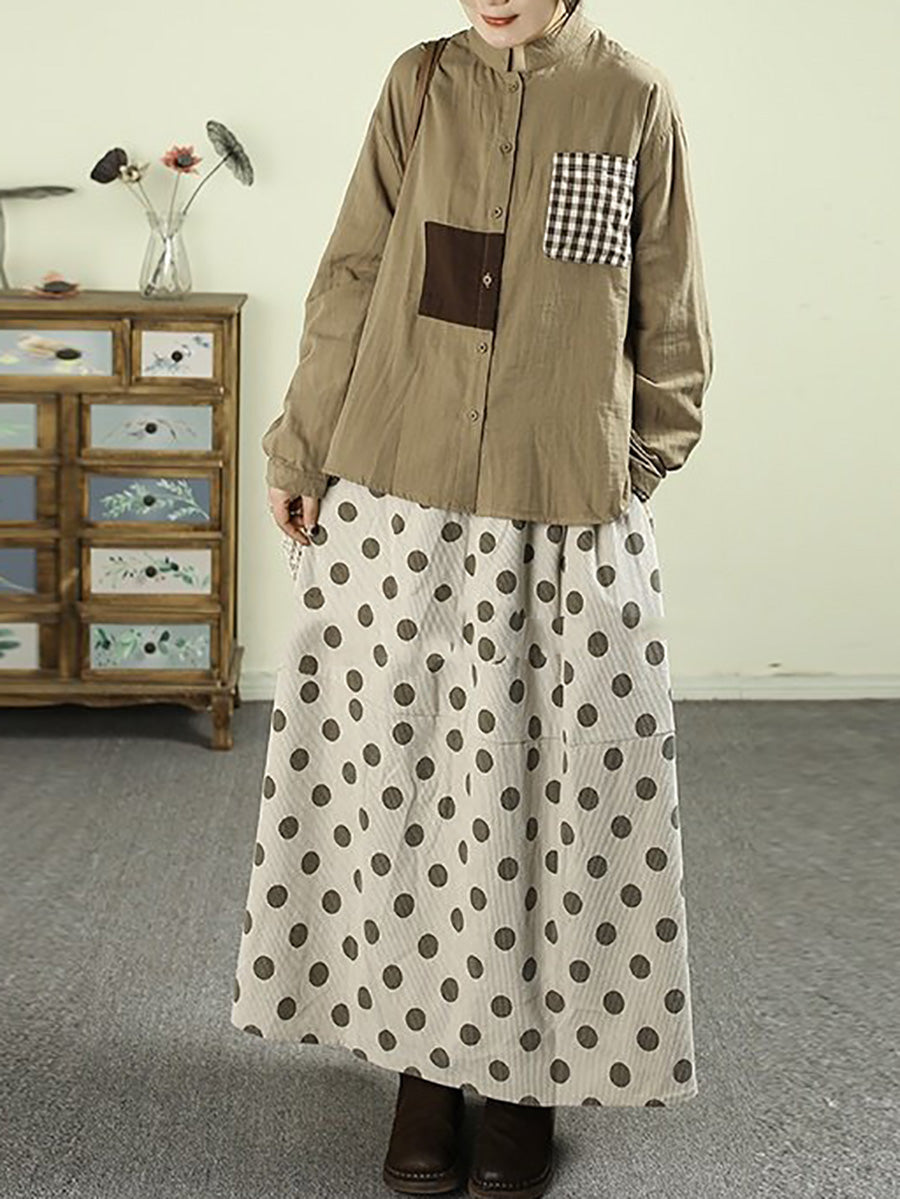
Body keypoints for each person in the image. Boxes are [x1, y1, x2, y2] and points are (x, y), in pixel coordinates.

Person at [231, 2, 713, 1196]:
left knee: (555, 789)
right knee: (400, 786)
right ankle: (422, 1066)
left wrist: (636, 461)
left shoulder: (633, 98)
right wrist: (301, 446)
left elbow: (669, 305)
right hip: (400, 481)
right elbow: (354, 268)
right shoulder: (419, 83)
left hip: (563, 499)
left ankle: (527, 1077)